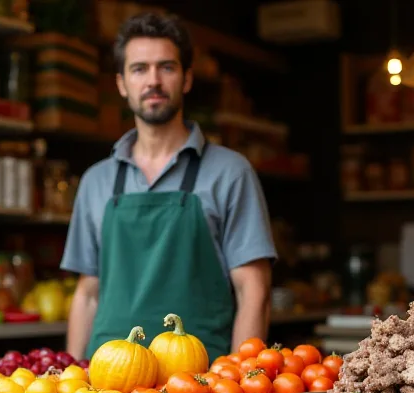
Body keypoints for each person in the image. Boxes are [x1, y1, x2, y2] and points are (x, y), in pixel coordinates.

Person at [60, 12, 277, 362]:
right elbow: (87, 295)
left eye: (167, 67)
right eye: (139, 69)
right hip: (104, 385)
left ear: (187, 78)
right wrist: (69, 379)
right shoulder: (96, 181)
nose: (153, 80)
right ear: (121, 83)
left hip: (197, 384)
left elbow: (254, 289)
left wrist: (237, 381)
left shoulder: (230, 172)